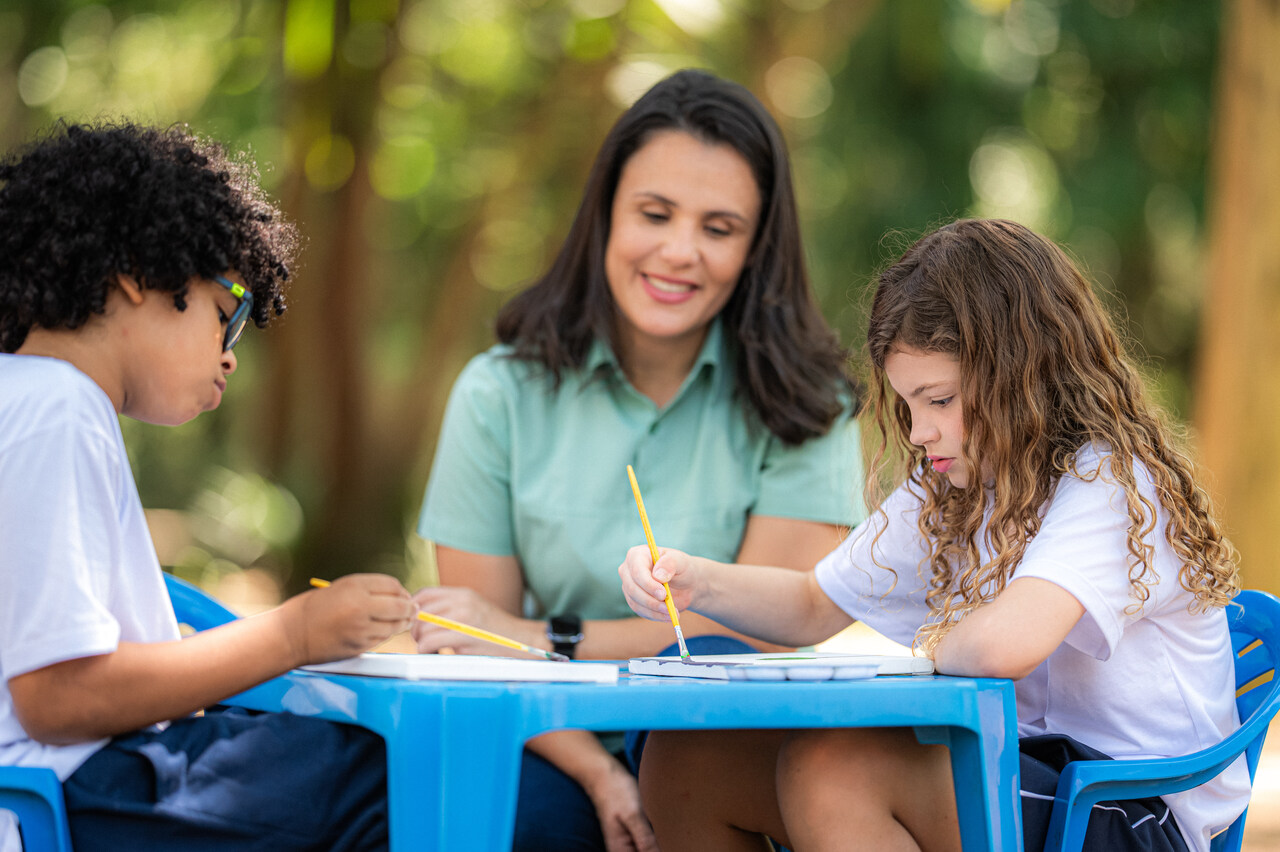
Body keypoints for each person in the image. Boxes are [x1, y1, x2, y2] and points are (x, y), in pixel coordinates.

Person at [618, 218, 1248, 852]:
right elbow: (814, 603)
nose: (919, 432)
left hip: (1127, 805)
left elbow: (1002, 647)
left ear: (1020, 377)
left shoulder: (1108, 479)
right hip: (1020, 769)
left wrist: (928, 647)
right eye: (908, 405)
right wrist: (695, 580)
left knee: (834, 771)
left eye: (939, 400)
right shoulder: (954, 485)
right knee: (688, 762)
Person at [413, 69, 865, 852]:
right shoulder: (498, 393)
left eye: (719, 229)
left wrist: (543, 634)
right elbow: (475, 648)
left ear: (757, 247)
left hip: (734, 752)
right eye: (654, 214)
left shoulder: (811, 405)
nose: (679, 251)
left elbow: (759, 639)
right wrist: (599, 772)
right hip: (556, 742)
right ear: (605, 216)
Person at [0, 121, 418, 852]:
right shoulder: (54, 408)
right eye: (227, 319)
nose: (229, 360)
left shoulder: (36, 399)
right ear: (137, 270)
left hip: (95, 778)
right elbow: (56, 697)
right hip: (77, 791)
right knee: (408, 777)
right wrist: (296, 632)